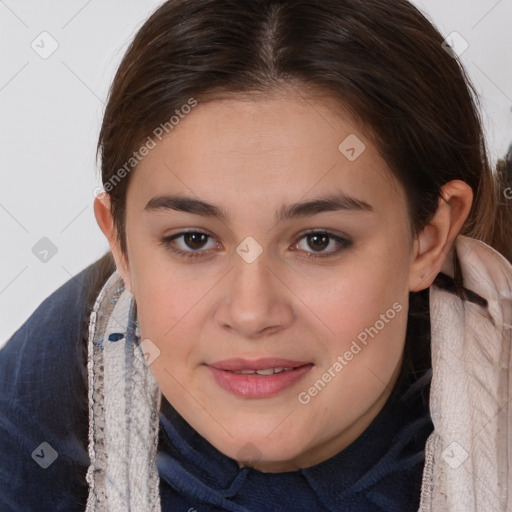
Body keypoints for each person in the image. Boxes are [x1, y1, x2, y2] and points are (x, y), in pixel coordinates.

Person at [1, 1, 511, 510]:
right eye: (194, 240)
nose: (250, 313)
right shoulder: (39, 411)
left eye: (318, 241)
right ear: (123, 247)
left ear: (428, 237)